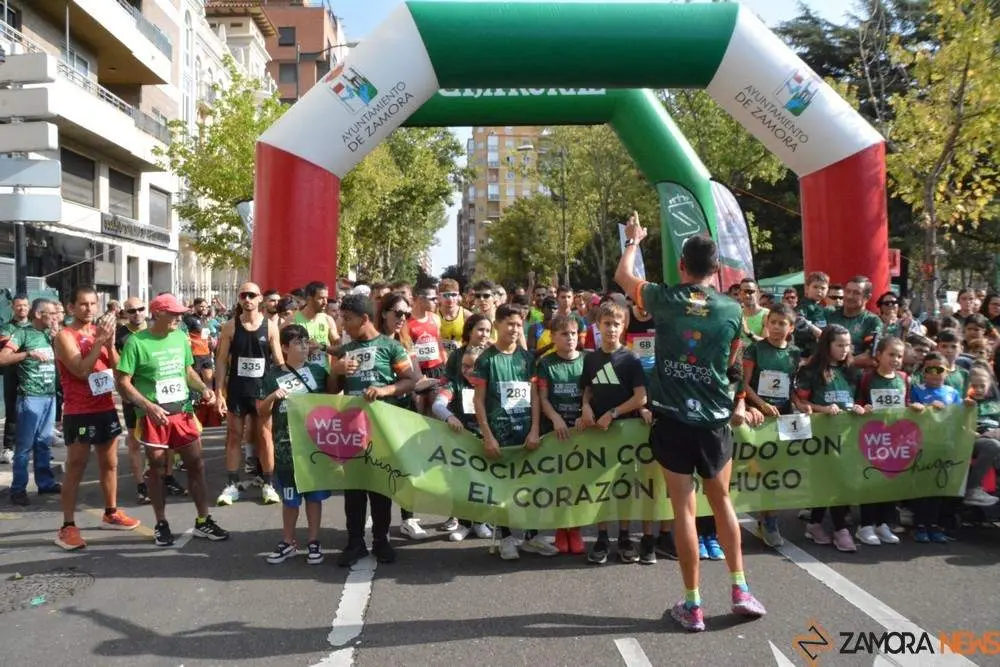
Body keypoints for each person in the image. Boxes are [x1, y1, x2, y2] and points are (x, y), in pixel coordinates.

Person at [614, 212, 766, 632]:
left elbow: (623, 276)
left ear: (682, 265)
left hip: (674, 419)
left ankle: (693, 604)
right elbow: (735, 363)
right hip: (715, 421)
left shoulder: (664, 298)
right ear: (716, 271)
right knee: (722, 504)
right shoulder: (734, 309)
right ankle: (740, 589)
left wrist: (634, 240)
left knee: (683, 508)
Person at [116, 293, 229, 547]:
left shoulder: (180, 337)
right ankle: (161, 523)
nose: (179, 318)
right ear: (157, 314)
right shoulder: (136, 342)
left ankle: (204, 520)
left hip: (183, 412)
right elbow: (123, 382)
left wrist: (203, 388)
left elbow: (187, 370)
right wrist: (147, 406)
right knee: (156, 469)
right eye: (174, 314)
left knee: (196, 465)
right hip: (154, 416)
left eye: (180, 313)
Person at [50, 287, 141, 550]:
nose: (89, 309)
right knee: (76, 466)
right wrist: (100, 341)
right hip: (80, 411)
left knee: (110, 464)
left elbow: (119, 367)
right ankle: (67, 526)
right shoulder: (65, 336)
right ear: (70, 307)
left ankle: (111, 512)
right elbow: (79, 370)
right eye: (83, 304)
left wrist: (109, 344)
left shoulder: (99, 333)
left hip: (105, 407)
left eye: (93, 304)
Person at [330, 293, 418, 566]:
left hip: (382, 429)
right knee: (354, 488)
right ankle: (354, 542)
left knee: (381, 486)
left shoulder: (391, 347)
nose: (343, 324)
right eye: (341, 318)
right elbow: (331, 391)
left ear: (365, 318)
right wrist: (337, 370)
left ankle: (381, 540)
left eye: (347, 318)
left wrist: (384, 390)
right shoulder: (346, 350)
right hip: (353, 428)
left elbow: (410, 380)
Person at [470, 304, 559, 560]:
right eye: (509, 324)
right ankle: (507, 537)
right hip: (499, 433)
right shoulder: (486, 359)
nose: (514, 329)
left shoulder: (527, 359)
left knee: (531, 484)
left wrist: (534, 430)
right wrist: (487, 435)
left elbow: (534, 397)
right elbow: (478, 401)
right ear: (497, 325)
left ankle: (533, 536)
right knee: (504, 487)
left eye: (519, 325)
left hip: (526, 432)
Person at [580, 300, 654, 565]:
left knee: (622, 486)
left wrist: (613, 413)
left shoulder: (631, 358)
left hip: (624, 432)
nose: (611, 329)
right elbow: (587, 389)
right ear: (598, 326)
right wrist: (586, 407)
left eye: (617, 324)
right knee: (599, 486)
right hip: (598, 434)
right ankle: (601, 537)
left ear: (624, 327)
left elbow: (640, 398)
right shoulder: (590, 359)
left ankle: (624, 536)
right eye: (607, 324)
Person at [260, 324, 333, 564]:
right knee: (290, 499)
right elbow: (260, 410)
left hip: (314, 447)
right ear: (284, 347)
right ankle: (288, 541)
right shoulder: (274, 375)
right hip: (286, 448)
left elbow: (334, 398)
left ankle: (313, 541)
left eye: (305, 341)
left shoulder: (320, 371)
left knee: (314, 497)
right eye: (297, 342)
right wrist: (273, 396)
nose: (303, 345)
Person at [796, 325, 866, 552]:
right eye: (839, 345)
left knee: (836, 480)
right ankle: (841, 529)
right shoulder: (811, 371)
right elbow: (801, 403)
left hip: (846, 436)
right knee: (834, 480)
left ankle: (815, 523)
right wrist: (821, 409)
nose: (845, 349)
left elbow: (860, 400)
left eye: (847, 345)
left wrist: (859, 407)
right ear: (827, 346)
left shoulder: (852, 371)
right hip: (821, 437)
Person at [215, 283, 284, 506]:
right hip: (237, 390)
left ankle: (268, 484)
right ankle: (231, 484)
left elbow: (280, 362)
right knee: (234, 436)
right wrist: (219, 393)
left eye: (252, 295)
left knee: (265, 436)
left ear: (260, 298)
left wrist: (283, 387)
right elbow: (221, 361)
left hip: (262, 390)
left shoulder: (271, 327)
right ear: (239, 299)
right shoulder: (229, 327)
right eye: (243, 295)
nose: (247, 299)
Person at [741, 304, 801, 548]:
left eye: (782, 324)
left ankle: (769, 519)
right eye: (773, 322)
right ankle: (766, 518)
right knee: (760, 470)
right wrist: (760, 405)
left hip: (784, 418)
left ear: (791, 328)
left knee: (777, 471)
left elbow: (792, 387)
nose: (776, 328)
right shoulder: (756, 349)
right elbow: (743, 385)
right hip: (759, 418)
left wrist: (800, 403)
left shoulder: (795, 353)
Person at [855, 336, 919, 545]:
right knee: (871, 480)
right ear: (879, 355)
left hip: (895, 439)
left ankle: (883, 523)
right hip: (872, 438)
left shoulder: (904, 378)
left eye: (899, 356)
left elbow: (906, 402)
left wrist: (914, 408)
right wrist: (863, 409)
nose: (896, 359)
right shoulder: (867, 378)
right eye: (891, 354)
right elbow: (859, 402)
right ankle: (865, 525)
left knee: (890, 479)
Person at [0, 299, 61, 505]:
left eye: (56, 313)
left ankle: (45, 483)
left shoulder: (51, 335)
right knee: (24, 446)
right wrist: (27, 354)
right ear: (38, 314)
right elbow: (3, 357)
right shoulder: (23, 333)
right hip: (30, 397)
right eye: (51, 313)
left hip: (49, 396)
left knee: (43, 443)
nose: (54, 317)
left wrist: (57, 338)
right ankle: (18, 489)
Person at [535, 314, 587, 555]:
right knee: (558, 484)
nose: (570, 338)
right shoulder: (546, 364)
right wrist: (555, 418)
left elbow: (591, 394)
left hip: (581, 432)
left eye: (573, 333)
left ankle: (574, 528)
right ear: (553, 337)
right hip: (555, 433)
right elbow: (542, 398)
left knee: (577, 484)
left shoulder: (587, 361)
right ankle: (560, 529)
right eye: (564, 334)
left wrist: (585, 412)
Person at [431, 344, 494, 542]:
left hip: (486, 441)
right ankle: (465, 524)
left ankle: (481, 522)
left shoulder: (490, 384)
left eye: (472, 366)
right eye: (464, 366)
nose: (467, 370)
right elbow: (438, 405)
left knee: (484, 484)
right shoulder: (455, 384)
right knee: (462, 484)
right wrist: (450, 417)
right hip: (461, 444)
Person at [908, 351, 973, 542]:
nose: (935, 373)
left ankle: (933, 524)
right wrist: (922, 408)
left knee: (938, 486)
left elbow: (960, 416)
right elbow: (909, 411)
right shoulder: (916, 389)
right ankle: (919, 524)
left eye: (940, 369)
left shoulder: (952, 393)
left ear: (947, 372)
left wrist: (968, 406)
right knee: (922, 487)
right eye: (930, 369)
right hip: (923, 445)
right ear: (924, 371)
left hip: (945, 445)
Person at [116, 297, 168, 504]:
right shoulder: (120, 336)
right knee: (135, 442)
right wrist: (123, 391)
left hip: (160, 394)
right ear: (125, 313)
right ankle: (141, 485)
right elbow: (116, 367)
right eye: (131, 311)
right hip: (133, 396)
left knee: (164, 441)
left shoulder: (157, 330)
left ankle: (166, 477)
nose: (137, 313)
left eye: (140, 309)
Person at [0, 294, 30, 464]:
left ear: (29, 306)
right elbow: (6, 350)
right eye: (18, 305)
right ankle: (8, 448)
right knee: (12, 411)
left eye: (25, 305)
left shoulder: (34, 326)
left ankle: (30, 446)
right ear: (13, 307)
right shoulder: (6, 328)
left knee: (31, 412)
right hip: (12, 374)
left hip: (32, 375)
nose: (22, 308)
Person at [964, 364, 1000, 507]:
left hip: (995, 435)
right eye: (974, 386)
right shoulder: (965, 404)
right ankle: (972, 489)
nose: (978, 389)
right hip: (975, 439)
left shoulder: (995, 404)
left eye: (982, 386)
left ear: (989, 385)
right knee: (993, 446)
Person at [827, 276, 882, 369]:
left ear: (867, 297)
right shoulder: (830, 315)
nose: (849, 296)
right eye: (847, 291)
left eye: (856, 293)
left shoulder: (872, 321)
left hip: (854, 375)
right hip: (827, 372)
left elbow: (869, 357)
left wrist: (840, 365)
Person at [293, 281, 340, 372]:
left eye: (326, 298)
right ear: (309, 299)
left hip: (324, 376)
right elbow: (283, 350)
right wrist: (305, 350)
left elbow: (339, 348)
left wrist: (321, 347)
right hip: (301, 376)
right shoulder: (293, 320)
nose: (325, 302)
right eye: (321, 298)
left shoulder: (327, 319)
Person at [438, 278, 472, 355]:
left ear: (458, 296)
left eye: (454, 295)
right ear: (439, 296)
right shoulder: (433, 315)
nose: (450, 299)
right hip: (438, 361)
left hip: (459, 359)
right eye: (446, 295)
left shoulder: (467, 315)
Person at [739, 279, 769, 346]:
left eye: (750, 292)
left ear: (758, 293)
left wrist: (748, 332)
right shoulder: (737, 313)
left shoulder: (767, 314)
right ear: (740, 294)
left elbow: (766, 344)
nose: (747, 295)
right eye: (743, 292)